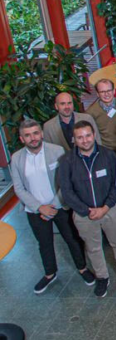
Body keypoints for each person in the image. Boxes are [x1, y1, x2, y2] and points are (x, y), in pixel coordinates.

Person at [11, 119, 95, 294]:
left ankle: (82, 268)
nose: (33, 138)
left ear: (41, 133)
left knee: (72, 239)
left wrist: (54, 205)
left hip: (59, 205)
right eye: (28, 135)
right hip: (35, 210)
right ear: (22, 138)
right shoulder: (16, 158)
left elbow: (66, 182)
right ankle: (50, 273)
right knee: (44, 243)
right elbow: (18, 188)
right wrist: (39, 208)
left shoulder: (57, 151)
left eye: (36, 133)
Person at [57, 121, 116, 298]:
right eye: (80, 137)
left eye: (87, 135)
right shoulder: (67, 161)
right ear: (74, 139)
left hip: (110, 209)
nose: (85, 140)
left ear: (94, 135)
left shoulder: (108, 155)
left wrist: (105, 207)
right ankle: (102, 277)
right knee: (93, 248)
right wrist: (86, 210)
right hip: (84, 215)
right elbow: (67, 192)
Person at [86, 79, 116, 153]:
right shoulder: (91, 112)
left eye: (109, 90)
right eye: (102, 92)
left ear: (114, 91)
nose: (106, 94)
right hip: (105, 151)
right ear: (97, 94)